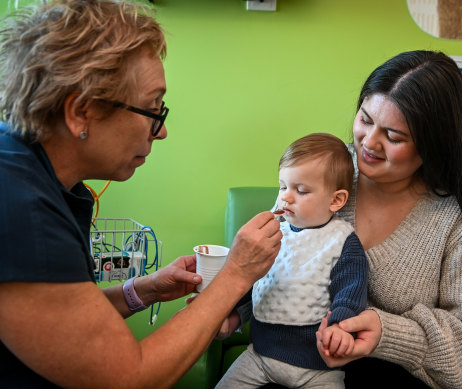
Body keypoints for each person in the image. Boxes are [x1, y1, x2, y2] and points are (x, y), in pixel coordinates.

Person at [0, 1, 282, 388]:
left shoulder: (29, 170)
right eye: (153, 109)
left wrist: (143, 290)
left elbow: (66, 322)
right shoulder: (20, 209)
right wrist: (235, 275)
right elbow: (129, 377)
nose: (161, 131)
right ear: (81, 111)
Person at [314, 50, 462, 389]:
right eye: (365, 120)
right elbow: (275, 260)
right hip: (301, 359)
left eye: (393, 137)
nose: (369, 142)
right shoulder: (324, 174)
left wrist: (389, 333)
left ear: (434, 145)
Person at [215, 133, 369, 389]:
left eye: (300, 190)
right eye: (283, 186)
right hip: (260, 356)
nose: (285, 197)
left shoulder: (342, 242)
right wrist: (231, 315)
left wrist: (340, 328)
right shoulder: (271, 234)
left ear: (336, 200)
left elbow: (350, 293)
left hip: (318, 367)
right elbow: (253, 281)